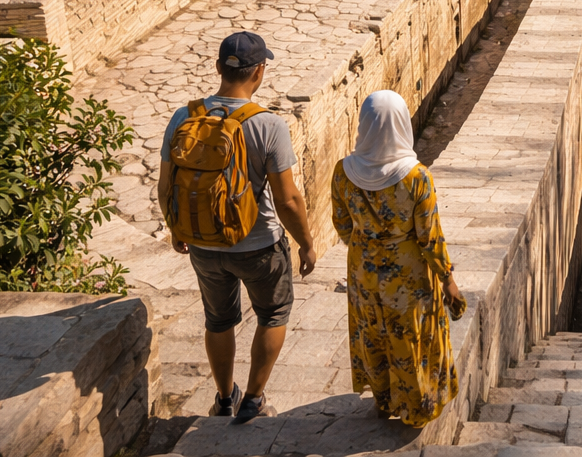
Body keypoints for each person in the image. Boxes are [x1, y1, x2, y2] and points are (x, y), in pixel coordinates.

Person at [159, 31, 317, 424]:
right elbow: (288, 200)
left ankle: (224, 397)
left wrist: (178, 229)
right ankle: (253, 400)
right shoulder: (268, 125)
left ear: (218, 68)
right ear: (259, 72)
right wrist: (306, 243)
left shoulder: (185, 117)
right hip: (259, 244)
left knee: (218, 320)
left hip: (204, 245)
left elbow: (165, 186)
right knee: (274, 314)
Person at [332, 91, 465, 424]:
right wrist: (449, 281)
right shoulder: (416, 177)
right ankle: (417, 406)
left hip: (363, 269)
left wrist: (367, 247)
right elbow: (429, 237)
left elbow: (342, 222)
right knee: (410, 337)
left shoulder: (343, 172)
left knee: (373, 331)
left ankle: (383, 398)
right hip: (408, 275)